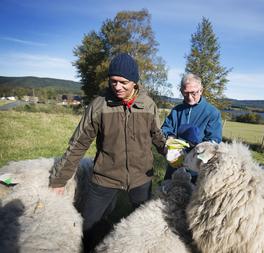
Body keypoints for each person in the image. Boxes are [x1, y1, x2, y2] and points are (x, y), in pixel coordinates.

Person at [49, 53, 166, 252]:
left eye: (123, 82)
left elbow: (157, 136)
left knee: (145, 225)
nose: (117, 87)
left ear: (135, 82)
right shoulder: (99, 105)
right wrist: (59, 180)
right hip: (105, 176)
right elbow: (78, 143)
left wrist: (169, 151)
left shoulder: (148, 104)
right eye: (113, 81)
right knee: (88, 226)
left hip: (141, 177)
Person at [161, 73, 222, 181]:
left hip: (196, 170)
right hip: (175, 165)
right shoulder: (176, 110)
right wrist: (171, 140)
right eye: (185, 93)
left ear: (201, 90)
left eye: (193, 93)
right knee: (169, 194)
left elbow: (214, 140)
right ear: (181, 91)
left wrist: (197, 147)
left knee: (192, 196)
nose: (189, 97)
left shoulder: (212, 113)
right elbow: (166, 128)